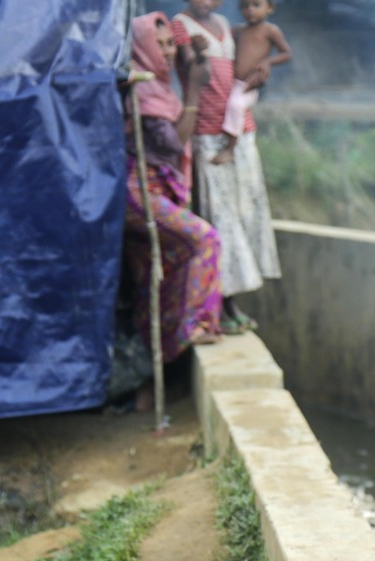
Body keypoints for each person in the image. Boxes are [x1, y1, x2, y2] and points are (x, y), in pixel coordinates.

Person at [122, 11, 224, 381]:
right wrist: (194, 90)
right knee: (204, 239)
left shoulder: (161, 86)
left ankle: (157, 365)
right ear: (141, 47)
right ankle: (195, 325)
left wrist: (191, 63)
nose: (165, 52)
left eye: (169, 44)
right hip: (139, 193)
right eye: (158, 44)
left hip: (154, 190)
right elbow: (171, 144)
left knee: (155, 273)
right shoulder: (142, 86)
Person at [172, 0, 281, 336]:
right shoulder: (180, 25)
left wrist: (262, 71)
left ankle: (231, 303)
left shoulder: (226, 25)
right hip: (206, 133)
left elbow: (244, 69)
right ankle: (219, 304)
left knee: (245, 213)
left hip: (239, 130)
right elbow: (193, 71)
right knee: (220, 219)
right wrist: (199, 56)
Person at [211, 0, 292, 166]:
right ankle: (223, 142)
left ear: (270, 8)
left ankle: (230, 149)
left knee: (235, 105)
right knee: (223, 105)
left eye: (256, 5)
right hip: (231, 82)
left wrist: (268, 61)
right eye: (245, 6)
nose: (250, 10)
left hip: (251, 84)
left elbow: (286, 53)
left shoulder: (270, 30)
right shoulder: (238, 31)